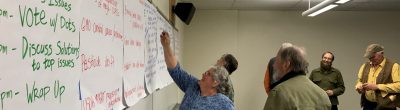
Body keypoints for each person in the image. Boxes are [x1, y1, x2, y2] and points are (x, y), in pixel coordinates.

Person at [160, 31, 234, 110]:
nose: (203, 74)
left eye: (208, 74)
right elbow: (176, 71)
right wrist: (166, 46)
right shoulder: (193, 85)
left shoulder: (224, 103)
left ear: (215, 82)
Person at [264, 43, 331, 110]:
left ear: (286, 64)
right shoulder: (323, 95)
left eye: (277, 62)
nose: (274, 66)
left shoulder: (278, 93)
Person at [355, 44, 400, 110]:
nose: (370, 59)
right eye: (369, 57)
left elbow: (399, 86)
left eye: (373, 57)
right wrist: (359, 86)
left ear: (382, 53)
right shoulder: (364, 66)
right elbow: (359, 80)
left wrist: (377, 87)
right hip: (368, 104)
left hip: (386, 105)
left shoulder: (394, 66)